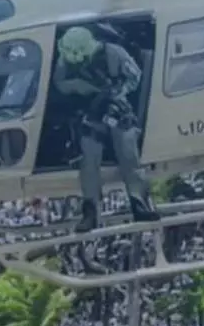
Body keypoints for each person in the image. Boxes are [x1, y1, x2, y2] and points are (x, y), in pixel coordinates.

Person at [54, 25, 159, 233]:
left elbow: (134, 77)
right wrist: (79, 87)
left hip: (117, 109)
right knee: (88, 157)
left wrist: (117, 92)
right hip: (90, 111)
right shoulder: (65, 59)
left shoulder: (114, 53)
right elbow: (60, 83)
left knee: (128, 151)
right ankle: (90, 211)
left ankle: (139, 203)